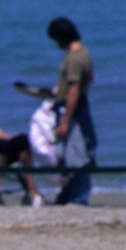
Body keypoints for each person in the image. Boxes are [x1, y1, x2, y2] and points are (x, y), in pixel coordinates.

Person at [47, 17, 97, 205]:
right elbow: (90, 78)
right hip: (78, 106)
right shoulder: (85, 53)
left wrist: (65, 121)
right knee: (78, 152)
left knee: (75, 155)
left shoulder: (74, 58)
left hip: (74, 110)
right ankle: (71, 195)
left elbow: (74, 90)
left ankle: (78, 197)